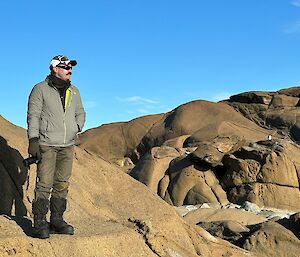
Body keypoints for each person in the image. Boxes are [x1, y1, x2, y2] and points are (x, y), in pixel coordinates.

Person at [27, 55, 86, 239]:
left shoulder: (74, 91)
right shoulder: (40, 89)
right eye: (65, 66)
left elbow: (80, 112)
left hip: (67, 145)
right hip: (47, 144)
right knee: (44, 184)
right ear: (54, 68)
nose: (69, 69)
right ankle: (39, 223)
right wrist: (33, 140)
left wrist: (77, 127)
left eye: (70, 66)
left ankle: (57, 220)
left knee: (62, 184)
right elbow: (33, 115)